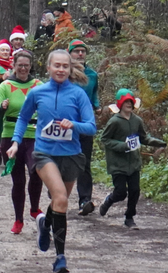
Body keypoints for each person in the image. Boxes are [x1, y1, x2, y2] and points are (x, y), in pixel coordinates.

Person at [6, 49, 96, 273]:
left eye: (65, 66)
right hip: (44, 153)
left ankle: (45, 224)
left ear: (70, 69)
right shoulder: (37, 92)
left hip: (72, 155)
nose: (61, 70)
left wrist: (73, 125)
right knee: (60, 198)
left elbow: (91, 126)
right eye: (56, 65)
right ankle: (60, 258)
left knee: (60, 201)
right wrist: (16, 142)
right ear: (48, 68)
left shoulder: (78, 94)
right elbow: (24, 118)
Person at [98, 89, 166, 229]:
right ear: (120, 104)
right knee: (120, 192)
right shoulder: (114, 122)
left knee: (135, 191)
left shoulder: (137, 120)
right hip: (118, 164)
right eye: (126, 102)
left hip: (134, 163)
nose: (129, 104)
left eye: (131, 102)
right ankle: (109, 201)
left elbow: (143, 138)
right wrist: (122, 146)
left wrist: (158, 142)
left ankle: (129, 217)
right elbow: (105, 139)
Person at [0, 51, 44, 234]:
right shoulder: (6, 85)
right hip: (11, 135)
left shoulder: (38, 85)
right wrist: (2, 108)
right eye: (20, 65)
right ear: (13, 66)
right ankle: (18, 219)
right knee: (18, 180)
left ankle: (34, 208)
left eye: (26, 65)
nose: (23, 68)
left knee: (37, 170)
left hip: (34, 134)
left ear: (31, 66)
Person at [68, 39, 101, 215]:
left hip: (85, 124)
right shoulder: (64, 73)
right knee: (62, 159)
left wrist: (97, 106)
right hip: (65, 125)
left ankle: (85, 200)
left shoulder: (92, 74)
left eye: (83, 51)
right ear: (70, 54)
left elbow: (95, 93)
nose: (80, 54)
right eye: (76, 51)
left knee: (84, 162)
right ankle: (56, 191)